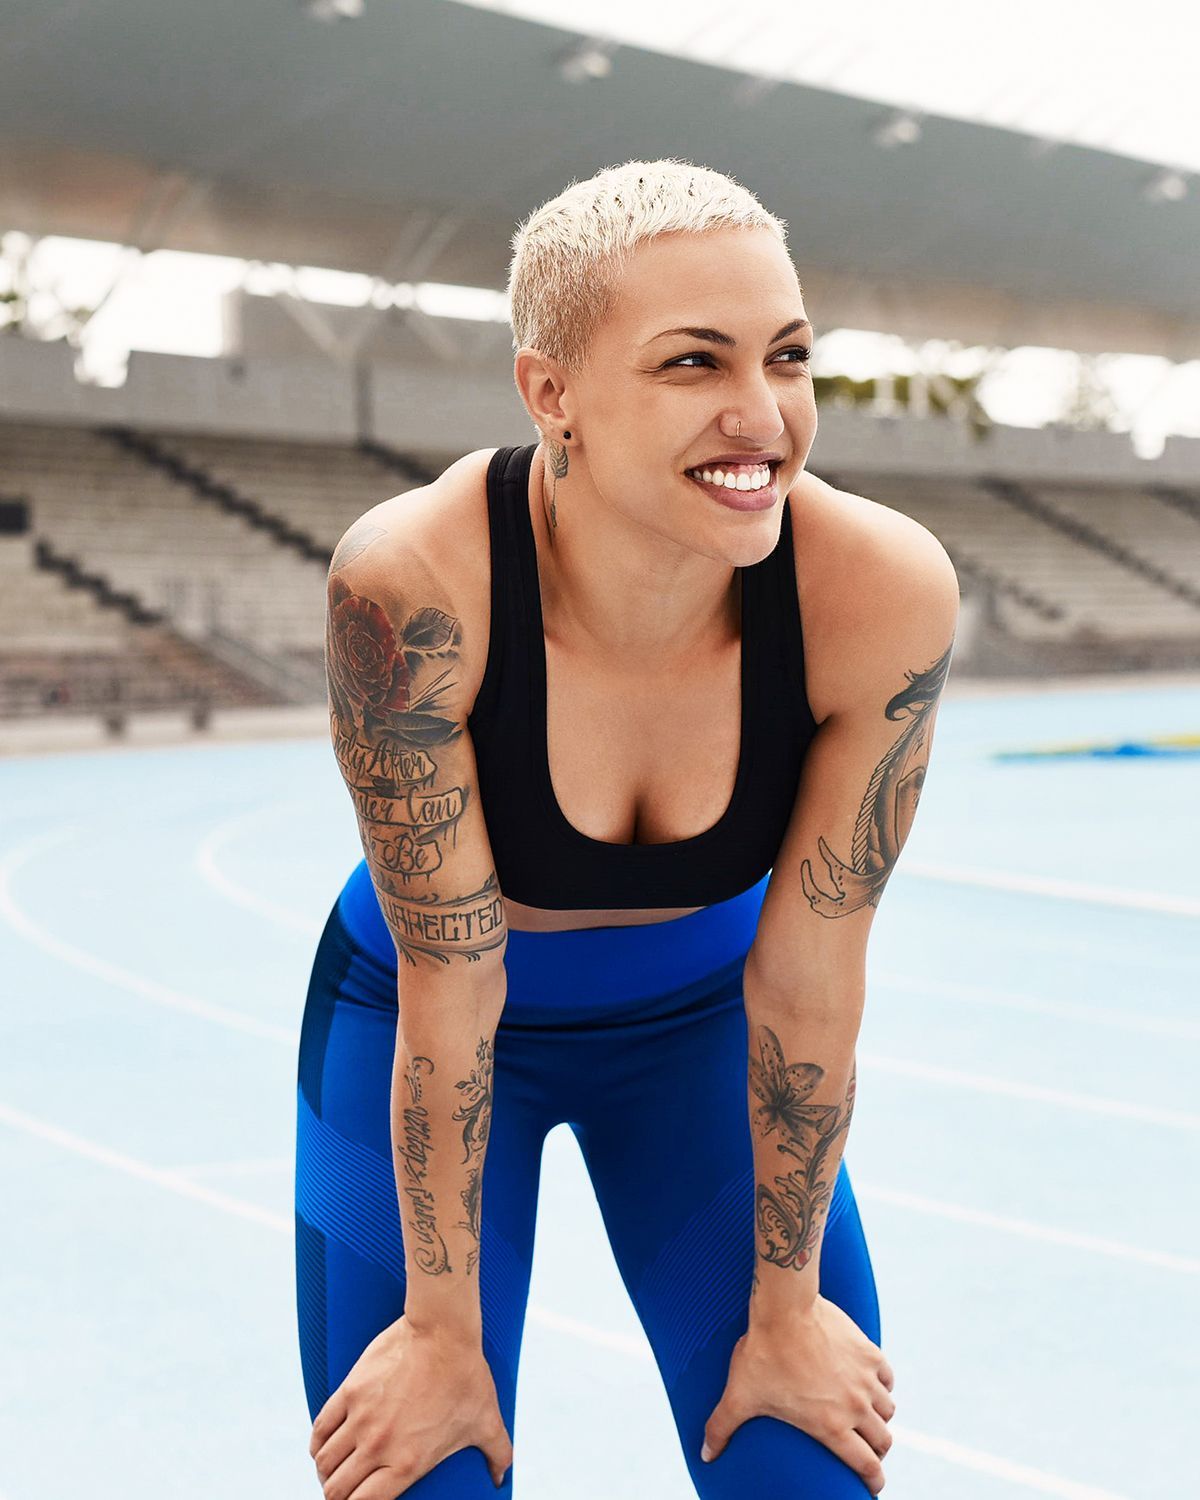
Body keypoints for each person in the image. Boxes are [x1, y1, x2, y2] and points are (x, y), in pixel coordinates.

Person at [296, 157, 959, 1498]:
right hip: (421, 1020)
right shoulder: (416, 583)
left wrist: (784, 1311)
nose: (760, 416)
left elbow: (811, 970)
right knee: (423, 1468)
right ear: (552, 394)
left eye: (787, 356)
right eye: (692, 365)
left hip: (706, 1038)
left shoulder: (876, 591)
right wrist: (440, 1332)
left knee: (804, 1466)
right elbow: (455, 975)